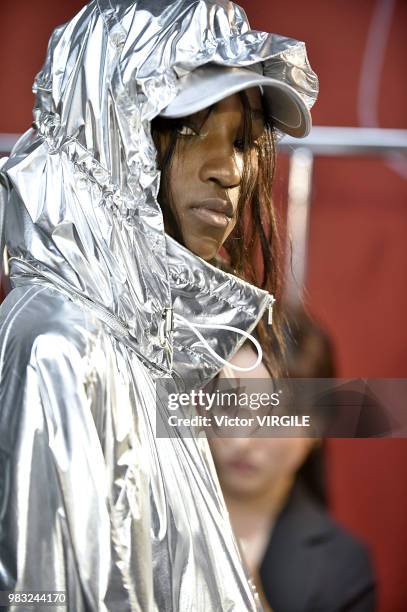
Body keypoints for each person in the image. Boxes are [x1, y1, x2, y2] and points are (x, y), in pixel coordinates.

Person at [0, 1, 318, 610]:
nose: (232, 171)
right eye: (194, 126)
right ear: (109, 135)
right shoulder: (61, 344)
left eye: (246, 141)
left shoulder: (144, 353)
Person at [209, 307, 377, 612]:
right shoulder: (147, 513)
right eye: (230, 406)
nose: (242, 440)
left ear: (317, 428)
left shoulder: (344, 569)